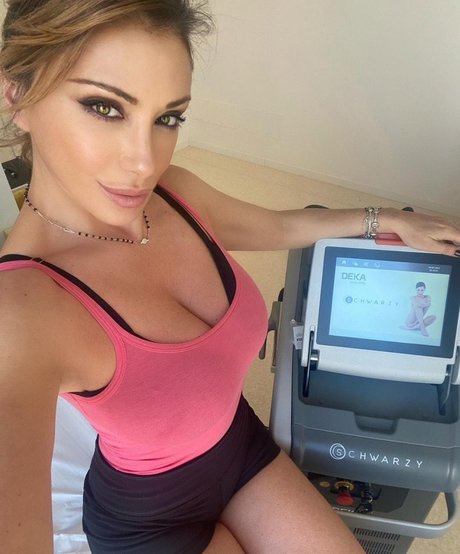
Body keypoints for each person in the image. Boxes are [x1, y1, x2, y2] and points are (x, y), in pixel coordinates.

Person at [0, 1, 459, 553]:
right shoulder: (20, 313)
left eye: (168, 118)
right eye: (104, 107)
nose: (144, 163)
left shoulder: (175, 193)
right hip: (149, 524)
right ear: (17, 95)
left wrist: (384, 221)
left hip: (241, 449)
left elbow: (277, 226)